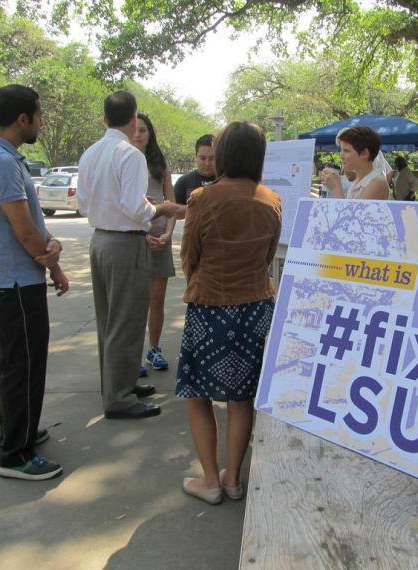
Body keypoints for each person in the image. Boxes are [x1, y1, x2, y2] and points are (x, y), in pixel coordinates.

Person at [177, 121, 281, 505]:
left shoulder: (203, 199)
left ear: (222, 155)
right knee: (242, 398)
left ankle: (209, 480)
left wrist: (202, 283)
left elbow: (190, 259)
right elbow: (268, 259)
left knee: (198, 395)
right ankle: (234, 479)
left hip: (209, 311)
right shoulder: (271, 200)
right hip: (255, 309)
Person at [0, 84, 69, 480]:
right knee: (22, 365)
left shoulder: (0, 156)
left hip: (14, 279)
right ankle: (15, 454)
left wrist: (52, 258)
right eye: (39, 115)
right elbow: (25, 231)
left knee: (18, 363)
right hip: (13, 283)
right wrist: (53, 258)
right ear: (22, 119)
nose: (41, 123)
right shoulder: (0, 162)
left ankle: (20, 430)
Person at [77, 91, 185, 420]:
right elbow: (136, 207)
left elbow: (83, 203)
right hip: (124, 243)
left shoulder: (90, 154)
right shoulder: (130, 154)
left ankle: (117, 385)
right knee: (126, 321)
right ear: (134, 119)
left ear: (105, 118)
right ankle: (120, 397)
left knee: (109, 319)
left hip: (100, 241)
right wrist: (163, 207)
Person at [130, 112, 177, 376]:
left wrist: (168, 234)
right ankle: (133, 354)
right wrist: (142, 232)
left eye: (144, 130)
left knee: (156, 299)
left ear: (151, 134)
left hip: (161, 239)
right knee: (135, 300)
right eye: (135, 129)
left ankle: (154, 349)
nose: (138, 134)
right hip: (136, 238)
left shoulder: (160, 164)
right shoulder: (124, 161)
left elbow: (170, 204)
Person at [320, 126, 390, 200]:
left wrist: (336, 188)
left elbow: (356, 211)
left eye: (346, 151)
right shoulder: (358, 181)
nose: (341, 156)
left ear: (364, 153)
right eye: (341, 150)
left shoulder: (376, 183)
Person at [173, 134, 216, 205]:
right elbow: (174, 213)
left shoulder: (227, 182)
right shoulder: (183, 183)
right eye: (203, 158)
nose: (207, 163)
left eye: (212, 158)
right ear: (195, 157)